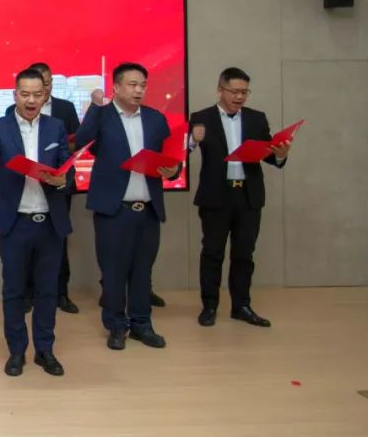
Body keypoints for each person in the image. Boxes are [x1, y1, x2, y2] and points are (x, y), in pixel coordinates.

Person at [0, 68, 71, 378]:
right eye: (24, 94)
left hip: (49, 223)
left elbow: (65, 166)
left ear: (45, 95)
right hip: (15, 222)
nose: (31, 100)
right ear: (15, 95)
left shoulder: (56, 126)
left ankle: (45, 350)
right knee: (14, 290)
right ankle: (16, 350)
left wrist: (62, 179)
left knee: (47, 290)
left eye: (37, 94)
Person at [75, 63, 179, 351]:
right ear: (116, 88)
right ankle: (116, 325)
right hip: (114, 209)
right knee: (113, 272)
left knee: (143, 271)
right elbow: (81, 142)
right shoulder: (102, 116)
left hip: (147, 209)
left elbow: (171, 156)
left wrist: (175, 169)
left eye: (142, 85)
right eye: (132, 85)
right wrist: (95, 108)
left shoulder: (156, 119)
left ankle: (142, 324)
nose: (138, 90)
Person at [189, 67, 290, 328]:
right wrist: (192, 141)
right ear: (220, 90)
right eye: (234, 91)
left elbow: (269, 155)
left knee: (244, 254)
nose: (240, 97)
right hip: (215, 196)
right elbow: (184, 151)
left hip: (248, 196)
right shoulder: (201, 118)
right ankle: (209, 306)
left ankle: (241, 306)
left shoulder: (257, 118)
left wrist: (280, 154)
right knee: (212, 253)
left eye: (244, 92)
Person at [5, 62, 81, 314]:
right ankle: (27, 294)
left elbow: (75, 144)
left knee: (58, 243)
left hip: (56, 189)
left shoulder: (64, 110)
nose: (38, 94)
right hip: (23, 193)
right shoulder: (12, 112)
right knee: (25, 252)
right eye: (29, 91)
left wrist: (60, 170)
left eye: (45, 85)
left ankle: (61, 293)